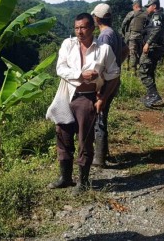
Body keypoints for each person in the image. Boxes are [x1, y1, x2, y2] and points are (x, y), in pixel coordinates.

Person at [45, 13, 120, 194]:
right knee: (62, 135)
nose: (80, 31)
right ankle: (65, 177)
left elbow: (114, 75)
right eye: (77, 28)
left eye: (84, 27)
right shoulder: (67, 44)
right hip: (66, 95)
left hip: (87, 98)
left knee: (84, 140)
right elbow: (60, 68)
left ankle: (83, 181)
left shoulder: (104, 49)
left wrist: (102, 99)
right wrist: (80, 75)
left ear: (92, 28)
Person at [91, 3, 127, 167]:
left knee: (99, 117)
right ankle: (103, 153)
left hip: (106, 82)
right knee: (102, 116)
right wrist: (117, 65)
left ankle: (99, 158)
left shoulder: (104, 36)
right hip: (114, 80)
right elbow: (126, 50)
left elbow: (101, 62)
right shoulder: (115, 33)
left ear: (97, 18)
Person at [138, 0, 164, 108]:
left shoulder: (157, 16)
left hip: (152, 47)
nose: (148, 9)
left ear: (154, 6)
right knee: (150, 72)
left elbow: (156, 29)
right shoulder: (163, 16)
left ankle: (154, 95)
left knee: (143, 71)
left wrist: (148, 43)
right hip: (157, 47)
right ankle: (151, 95)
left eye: (149, 6)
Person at [122, 0, 146, 75]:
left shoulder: (132, 13)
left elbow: (124, 23)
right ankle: (140, 68)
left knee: (131, 53)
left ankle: (132, 70)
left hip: (132, 36)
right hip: (142, 37)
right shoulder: (146, 14)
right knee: (140, 53)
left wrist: (124, 33)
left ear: (135, 6)